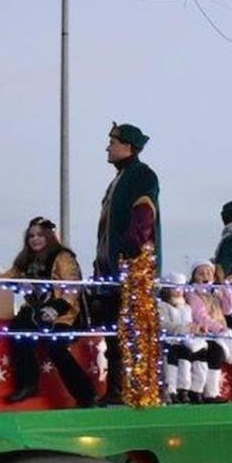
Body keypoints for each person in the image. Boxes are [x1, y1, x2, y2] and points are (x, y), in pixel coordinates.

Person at [93, 122, 160, 405]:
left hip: (130, 269)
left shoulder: (142, 175)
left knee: (131, 332)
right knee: (113, 332)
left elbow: (144, 216)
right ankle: (116, 390)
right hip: (110, 269)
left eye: (113, 142)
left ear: (128, 147)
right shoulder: (119, 179)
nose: (108, 147)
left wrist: (129, 253)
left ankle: (134, 390)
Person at [3, 217, 97, 407]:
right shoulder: (25, 260)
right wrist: (16, 284)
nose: (35, 239)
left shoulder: (63, 257)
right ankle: (28, 383)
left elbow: (72, 289)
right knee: (18, 329)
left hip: (64, 314)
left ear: (48, 236)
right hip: (34, 312)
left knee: (55, 347)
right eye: (31, 236)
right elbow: (5, 277)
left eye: (39, 235)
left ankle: (86, 395)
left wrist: (55, 309)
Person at [184, 261, 232, 403]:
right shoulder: (193, 293)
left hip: (221, 332)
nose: (205, 276)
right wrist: (219, 328)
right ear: (195, 277)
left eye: (208, 272)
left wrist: (226, 287)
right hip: (205, 333)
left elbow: (229, 309)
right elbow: (201, 316)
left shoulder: (215, 292)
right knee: (216, 351)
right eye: (201, 273)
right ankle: (210, 393)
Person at [158, 272, 210, 404]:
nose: (178, 292)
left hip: (188, 340)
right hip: (171, 340)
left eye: (180, 288)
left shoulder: (187, 307)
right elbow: (164, 324)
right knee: (176, 354)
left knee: (201, 354)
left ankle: (195, 389)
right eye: (174, 288)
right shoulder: (162, 306)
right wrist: (183, 329)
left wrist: (197, 330)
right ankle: (173, 389)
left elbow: (190, 322)